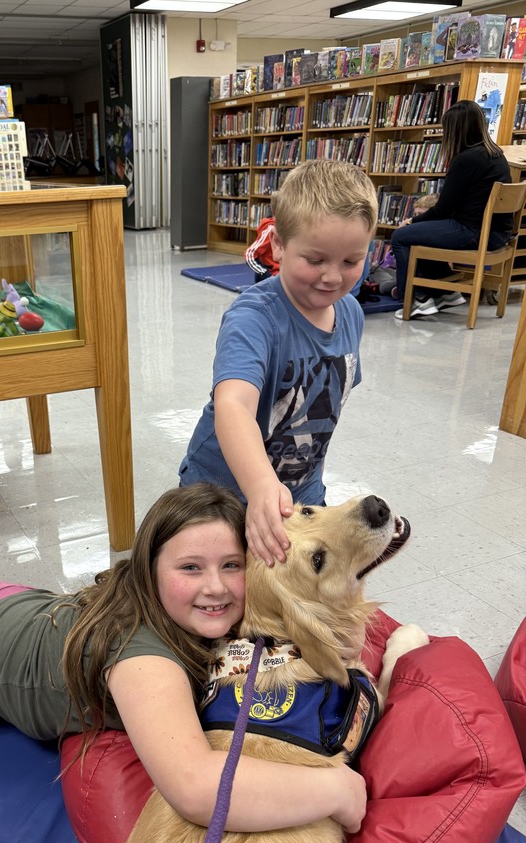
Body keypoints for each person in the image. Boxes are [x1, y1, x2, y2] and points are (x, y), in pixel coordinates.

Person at [0, 483, 367, 835]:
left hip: (5, 610)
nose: (215, 587)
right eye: (190, 568)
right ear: (151, 570)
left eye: (232, 566)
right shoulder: (146, 660)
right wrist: (338, 792)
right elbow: (195, 787)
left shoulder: (214, 609)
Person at [179, 159, 378, 567]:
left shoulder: (351, 314)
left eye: (350, 261)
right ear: (279, 246)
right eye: (316, 259)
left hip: (301, 490)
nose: (332, 277)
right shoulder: (254, 317)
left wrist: (289, 489)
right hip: (222, 492)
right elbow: (233, 405)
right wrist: (261, 485)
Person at [390, 99, 513, 320]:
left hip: (473, 232)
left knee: (400, 236)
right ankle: (444, 292)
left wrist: (411, 222)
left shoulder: (465, 160)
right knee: (426, 232)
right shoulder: (495, 154)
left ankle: (417, 299)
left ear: (455, 131)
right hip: (498, 234)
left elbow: (443, 210)